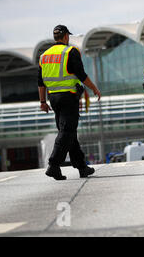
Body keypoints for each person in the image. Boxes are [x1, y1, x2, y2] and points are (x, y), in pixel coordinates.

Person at [39, 25, 101, 180]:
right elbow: (81, 74)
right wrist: (94, 88)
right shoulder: (70, 52)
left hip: (53, 98)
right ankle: (54, 165)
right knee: (66, 131)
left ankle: (82, 167)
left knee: (69, 132)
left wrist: (42, 101)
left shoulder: (44, 56)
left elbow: (40, 82)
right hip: (68, 97)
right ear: (66, 36)